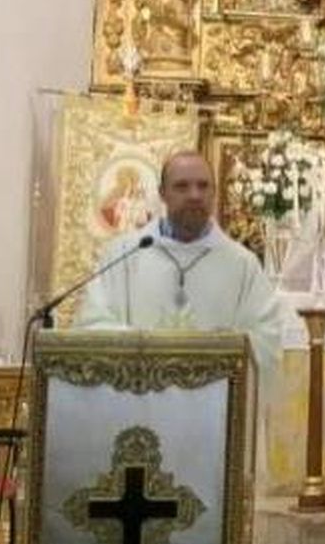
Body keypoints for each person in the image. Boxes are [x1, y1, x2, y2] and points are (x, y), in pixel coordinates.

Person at [74, 151, 282, 383]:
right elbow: (91, 324)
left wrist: (217, 352)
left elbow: (266, 340)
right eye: (182, 186)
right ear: (162, 193)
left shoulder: (242, 264)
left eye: (203, 186)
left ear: (215, 192)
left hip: (213, 400)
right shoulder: (122, 255)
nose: (194, 195)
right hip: (137, 394)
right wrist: (146, 350)